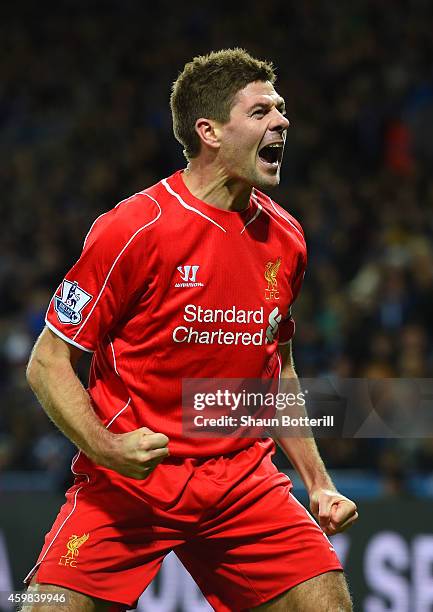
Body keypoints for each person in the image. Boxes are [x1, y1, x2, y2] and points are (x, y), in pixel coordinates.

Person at [24, 48, 358, 612]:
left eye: (280, 109)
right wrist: (107, 447)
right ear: (209, 131)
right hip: (135, 482)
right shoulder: (133, 228)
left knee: (327, 605)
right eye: (260, 112)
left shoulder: (287, 239)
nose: (282, 121)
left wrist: (317, 481)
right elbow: (47, 363)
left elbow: (277, 372)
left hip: (240, 482)